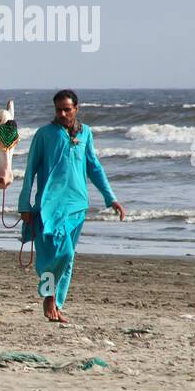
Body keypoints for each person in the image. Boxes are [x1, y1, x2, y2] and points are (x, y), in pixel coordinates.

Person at [18, 90, 125, 323]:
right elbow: (30, 172)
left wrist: (111, 197)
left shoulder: (85, 133)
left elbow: (94, 167)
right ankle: (48, 296)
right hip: (48, 207)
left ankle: (57, 303)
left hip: (77, 206)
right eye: (59, 109)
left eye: (67, 109)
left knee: (68, 258)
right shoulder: (44, 135)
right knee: (54, 256)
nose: (63, 113)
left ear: (76, 108)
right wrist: (24, 204)